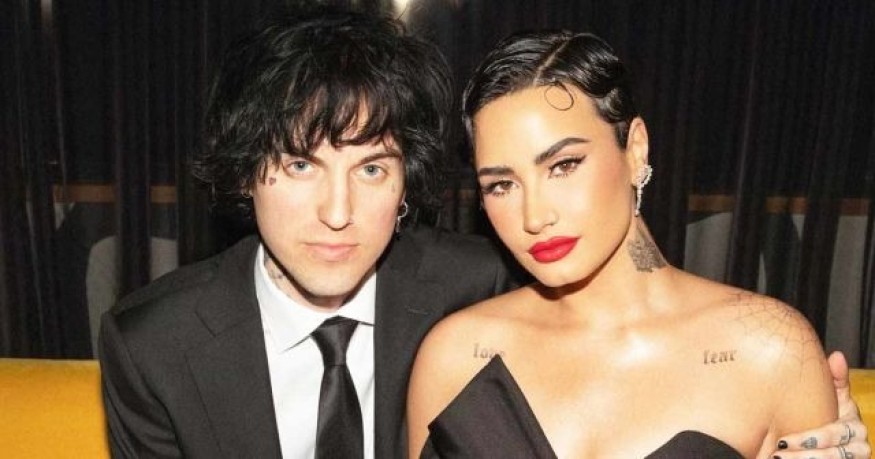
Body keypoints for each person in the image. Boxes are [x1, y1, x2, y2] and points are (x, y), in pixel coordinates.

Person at [408, 30, 871, 459]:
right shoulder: (455, 355)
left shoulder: (768, 349)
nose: (534, 217)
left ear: (635, 150)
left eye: (564, 165)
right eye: (502, 185)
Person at [98, 6, 513, 458]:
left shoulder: (480, 290)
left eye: (371, 169)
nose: (337, 213)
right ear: (246, 173)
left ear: (404, 185)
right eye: (300, 165)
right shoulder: (154, 346)